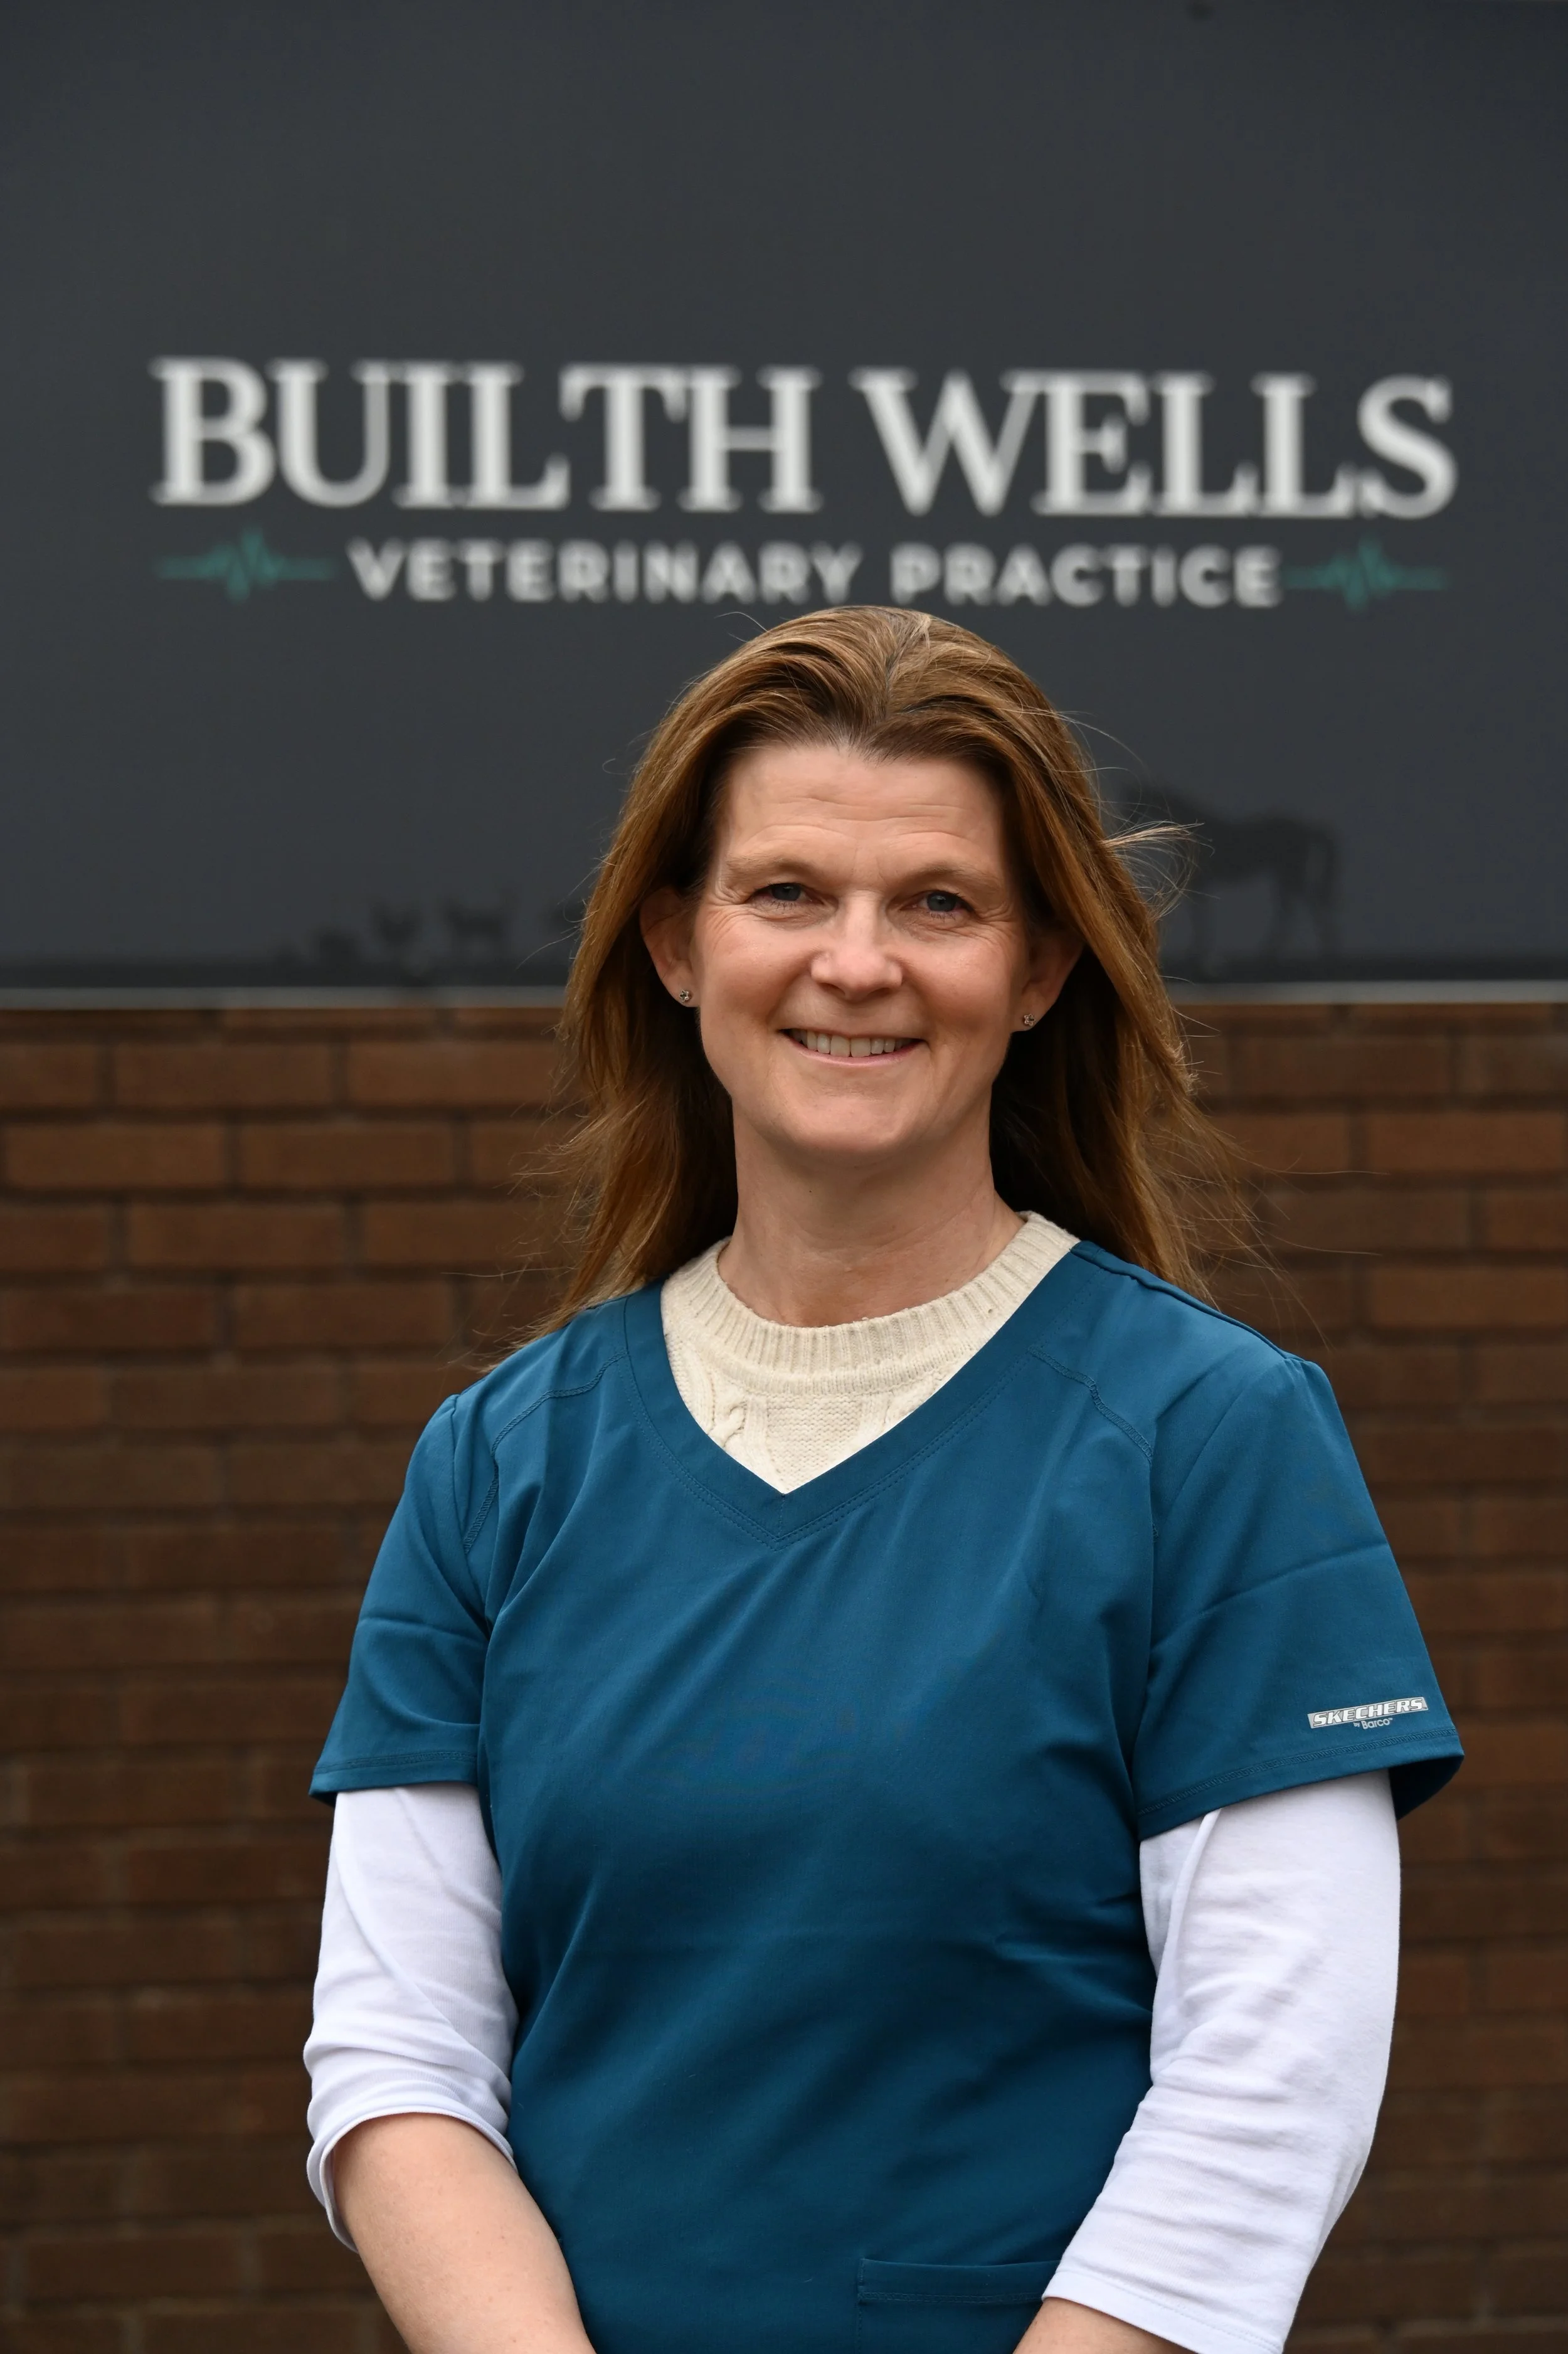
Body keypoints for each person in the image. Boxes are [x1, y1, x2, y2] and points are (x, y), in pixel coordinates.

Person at [304, 608, 1461, 2354]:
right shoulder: (498, 1462)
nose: (859, 962)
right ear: (676, 943)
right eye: (784, 894)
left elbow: (1267, 2083)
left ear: (1040, 968)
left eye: (938, 903)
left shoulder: (1207, 1438)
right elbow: (398, 2063)